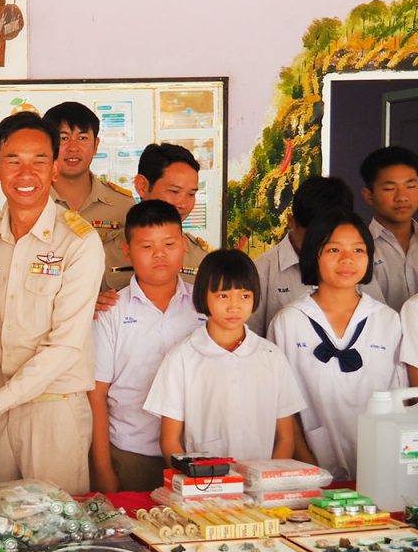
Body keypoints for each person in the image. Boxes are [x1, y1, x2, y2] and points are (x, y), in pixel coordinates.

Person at [0, 112, 104, 494]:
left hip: (54, 410)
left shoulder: (79, 242)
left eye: (38, 161)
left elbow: (65, 347)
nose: (26, 173)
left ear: (54, 169)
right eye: (13, 161)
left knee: (55, 522)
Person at [269, 210, 405, 480]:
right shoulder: (289, 321)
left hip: (379, 469)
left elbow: (398, 402)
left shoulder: (387, 320)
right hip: (310, 470)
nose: (347, 259)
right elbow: (281, 405)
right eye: (334, 249)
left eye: (358, 250)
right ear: (313, 254)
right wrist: (309, 466)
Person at [144, 249, 306, 466]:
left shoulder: (272, 357)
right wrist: (197, 479)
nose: (234, 306)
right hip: (205, 483)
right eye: (223, 296)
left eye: (244, 296)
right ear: (203, 296)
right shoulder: (181, 359)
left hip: (262, 481)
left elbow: (286, 438)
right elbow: (170, 441)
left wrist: (267, 477)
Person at [89, 201, 207, 492]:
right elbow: (96, 394)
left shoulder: (205, 305)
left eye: (169, 244)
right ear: (127, 251)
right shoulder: (111, 311)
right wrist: (103, 468)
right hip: (130, 453)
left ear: (183, 245)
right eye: (146, 246)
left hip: (196, 453)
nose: (159, 254)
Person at [247, 175, 385, 334]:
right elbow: (249, 339)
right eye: (314, 235)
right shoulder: (261, 272)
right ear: (292, 222)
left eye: (331, 237)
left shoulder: (353, 266)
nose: (322, 245)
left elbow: (378, 324)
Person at [100, 143, 207, 295]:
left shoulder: (201, 258)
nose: (182, 204)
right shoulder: (100, 254)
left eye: (191, 194)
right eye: (174, 191)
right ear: (142, 186)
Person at [42, 101, 134, 246]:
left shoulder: (122, 204)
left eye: (82, 138)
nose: (73, 148)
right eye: (63, 138)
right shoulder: (31, 202)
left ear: (96, 145)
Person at [360, 145, 418, 311]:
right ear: (368, 196)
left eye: (410, 186)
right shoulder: (359, 248)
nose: (402, 197)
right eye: (389, 189)